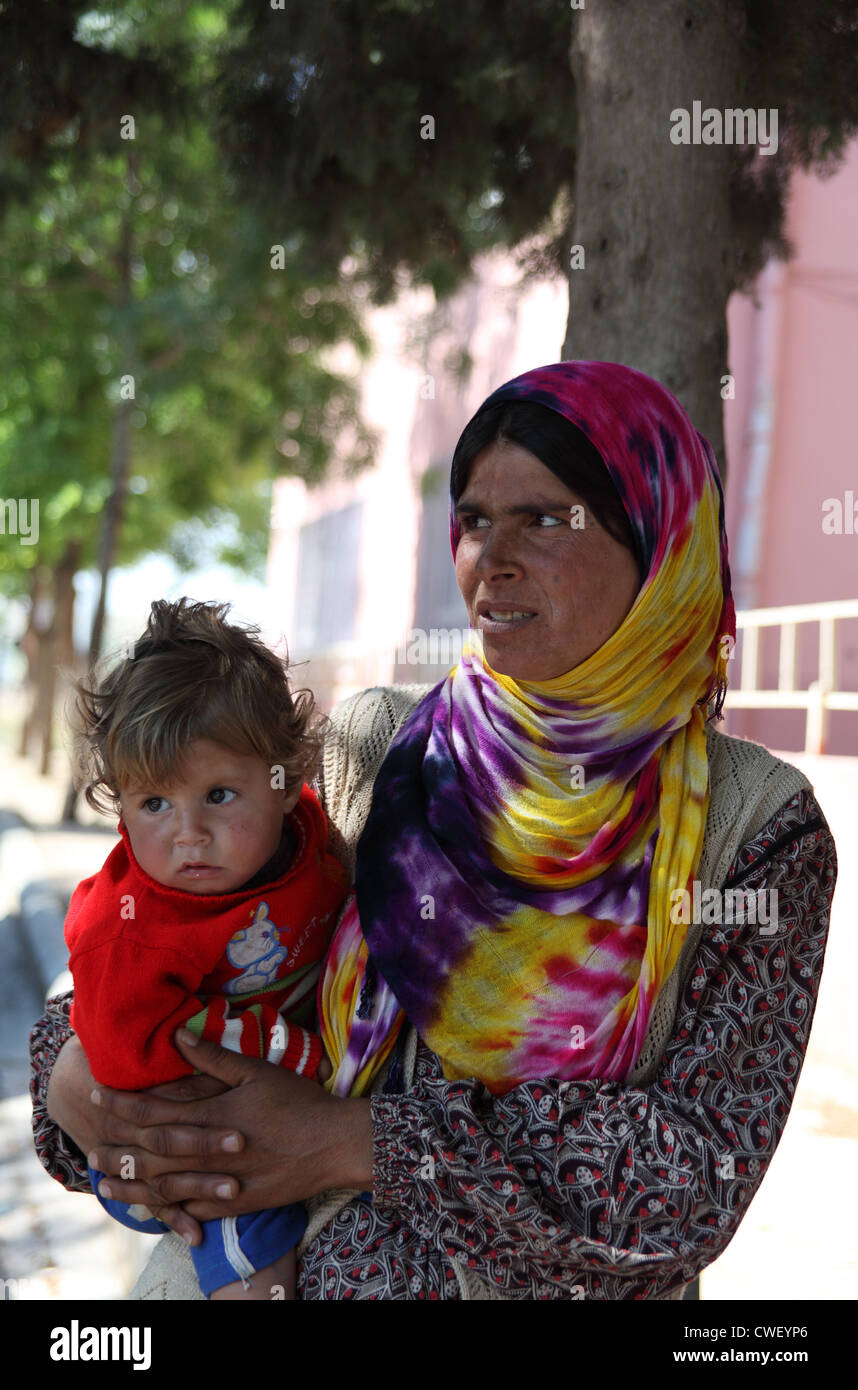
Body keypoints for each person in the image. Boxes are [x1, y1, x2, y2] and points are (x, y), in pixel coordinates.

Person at [31, 361, 837, 1300]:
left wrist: (353, 1141)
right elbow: (157, 932)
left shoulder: (755, 831)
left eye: (544, 518)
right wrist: (70, 1078)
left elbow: (689, 1185)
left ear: (659, 541)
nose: (488, 557)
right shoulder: (379, 747)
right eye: (473, 518)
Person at [57, 596, 350, 1298]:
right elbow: (131, 1064)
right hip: (177, 1125)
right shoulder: (130, 932)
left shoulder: (308, 836)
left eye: (219, 794)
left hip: (278, 1083)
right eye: (154, 804)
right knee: (258, 1264)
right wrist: (287, 1052)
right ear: (119, 800)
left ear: (286, 781)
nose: (188, 834)